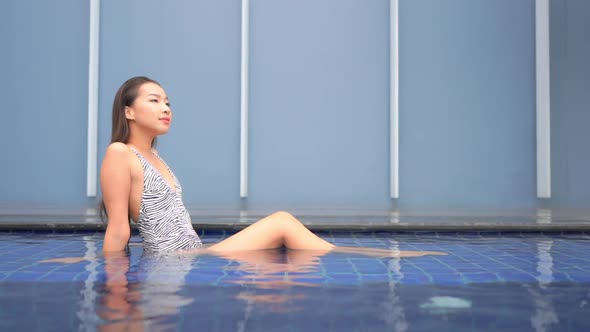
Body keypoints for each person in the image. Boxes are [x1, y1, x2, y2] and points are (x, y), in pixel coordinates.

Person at [99, 76, 443, 258]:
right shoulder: (120, 153)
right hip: (176, 262)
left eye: (168, 101)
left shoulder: (157, 158)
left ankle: (357, 253)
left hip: (192, 254)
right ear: (129, 111)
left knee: (279, 257)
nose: (166, 108)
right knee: (281, 223)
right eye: (155, 100)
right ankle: (362, 254)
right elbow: (119, 229)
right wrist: (106, 275)